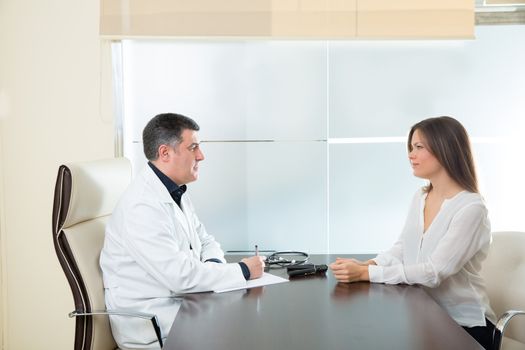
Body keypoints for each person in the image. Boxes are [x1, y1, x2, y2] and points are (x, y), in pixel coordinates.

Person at [100, 113, 265, 350]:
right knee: (250, 334)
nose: (201, 156)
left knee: (251, 325)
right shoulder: (141, 206)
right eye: (193, 147)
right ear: (165, 153)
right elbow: (180, 277)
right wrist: (242, 270)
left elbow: (204, 239)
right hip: (154, 327)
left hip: (184, 307)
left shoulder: (174, 191)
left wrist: (215, 264)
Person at [329, 116, 496, 350]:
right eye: (411, 147)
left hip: (466, 327)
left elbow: (433, 272)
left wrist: (368, 273)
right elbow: (402, 248)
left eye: (419, 147)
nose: (410, 154)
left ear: (445, 150)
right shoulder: (421, 197)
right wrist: (368, 263)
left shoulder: (471, 208)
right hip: (426, 317)